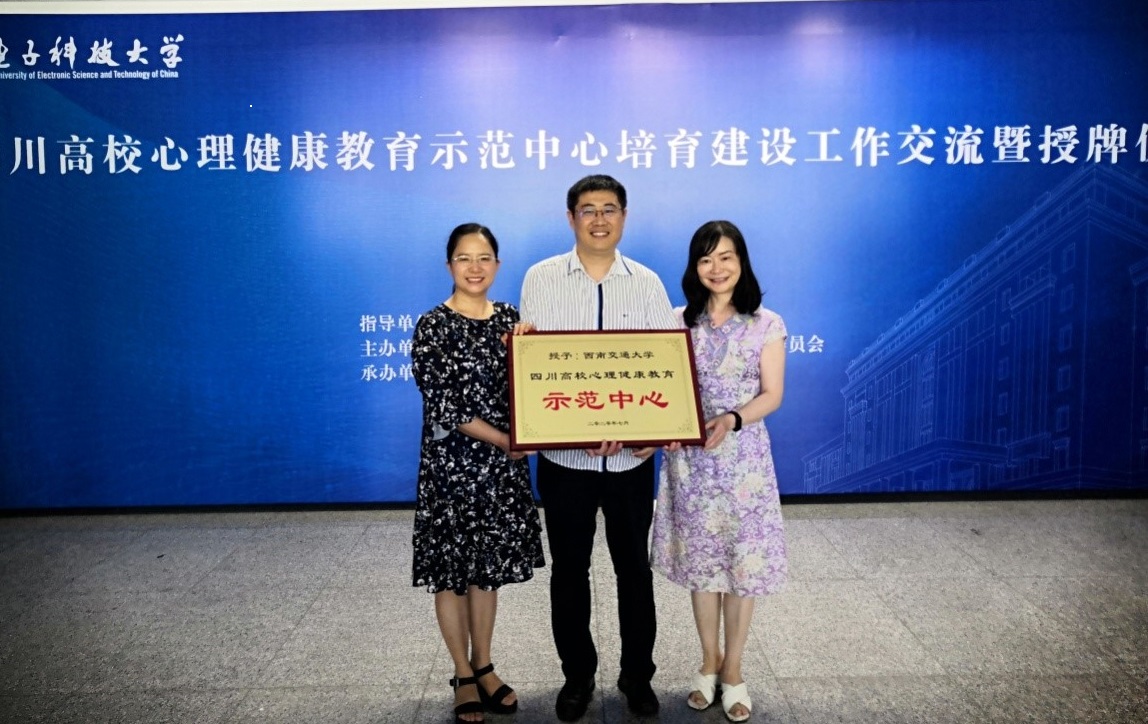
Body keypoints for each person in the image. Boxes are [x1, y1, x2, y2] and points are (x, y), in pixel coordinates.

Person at [519, 175, 677, 721]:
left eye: (610, 209)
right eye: (588, 210)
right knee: (569, 571)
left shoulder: (647, 283)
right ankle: (577, 676)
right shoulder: (540, 279)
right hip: (565, 462)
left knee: (634, 571)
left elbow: (664, 366)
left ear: (624, 217)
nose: (599, 219)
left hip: (631, 461)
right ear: (571, 218)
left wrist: (648, 432)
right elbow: (536, 368)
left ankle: (637, 676)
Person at [651, 220, 788, 723]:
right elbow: (659, 387)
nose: (716, 268)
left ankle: (734, 669)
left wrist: (731, 419)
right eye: (706, 259)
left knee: (741, 568)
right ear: (695, 267)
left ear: (741, 261)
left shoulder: (766, 323)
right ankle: (708, 662)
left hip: (743, 464)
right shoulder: (675, 321)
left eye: (726, 257)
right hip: (690, 465)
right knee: (703, 567)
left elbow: (772, 394)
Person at [411, 223, 546, 724]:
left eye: (484, 257)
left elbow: (534, 385)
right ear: (449, 265)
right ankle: (462, 673)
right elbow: (445, 406)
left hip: (500, 473)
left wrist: (532, 349)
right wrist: (506, 440)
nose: (475, 267)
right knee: (451, 574)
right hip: (451, 469)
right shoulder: (432, 325)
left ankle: (485, 664)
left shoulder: (511, 320)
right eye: (464, 258)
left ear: (497, 265)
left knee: (487, 571)